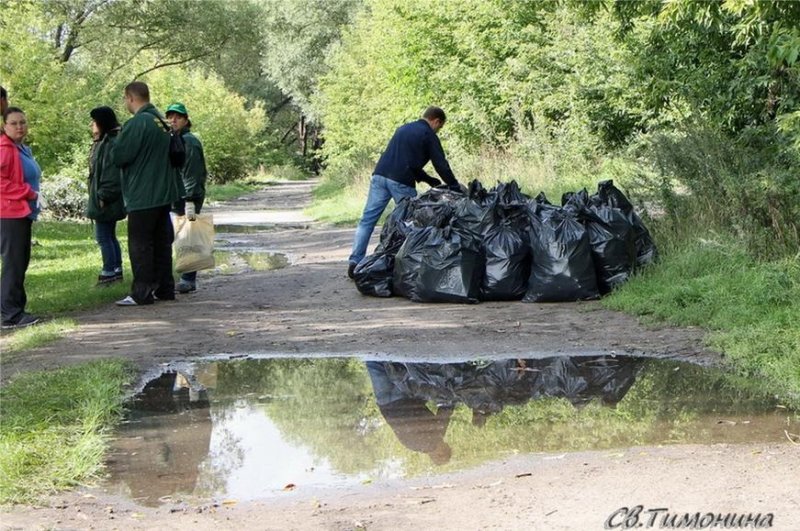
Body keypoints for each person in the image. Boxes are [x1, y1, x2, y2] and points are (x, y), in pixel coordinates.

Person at [348, 106, 461, 278]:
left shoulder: (403, 129)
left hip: (379, 176)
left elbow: (406, 160)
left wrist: (427, 179)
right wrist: (453, 185)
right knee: (412, 222)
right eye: (440, 127)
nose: (438, 131)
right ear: (436, 121)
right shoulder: (428, 135)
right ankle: (405, 265)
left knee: (367, 220)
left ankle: (355, 261)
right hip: (400, 181)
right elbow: (441, 164)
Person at [111, 81, 180, 306]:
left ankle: (141, 292)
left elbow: (120, 156)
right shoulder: (161, 120)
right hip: (164, 192)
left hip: (143, 193)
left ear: (130, 97)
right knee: (161, 243)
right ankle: (165, 288)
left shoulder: (138, 123)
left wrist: (117, 140)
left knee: (140, 244)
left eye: (125, 99)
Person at [1, 106, 43, 329]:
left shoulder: (21, 148)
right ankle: (10, 315)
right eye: (14, 123)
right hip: (9, 213)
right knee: (14, 263)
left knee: (20, 261)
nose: (20, 126)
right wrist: (27, 193)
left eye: (23, 122)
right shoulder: (5, 149)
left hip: (22, 212)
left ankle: (17, 309)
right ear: (4, 126)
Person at [366, 361, 453, 465]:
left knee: (395, 365)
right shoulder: (413, 446)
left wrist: (454, 395)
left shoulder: (436, 437)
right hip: (386, 404)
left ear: (440, 453)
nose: (446, 444)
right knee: (374, 366)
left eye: (446, 447)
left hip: (405, 397)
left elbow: (445, 411)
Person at [165, 102, 207, 294]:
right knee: (180, 237)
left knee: (188, 237)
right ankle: (184, 277)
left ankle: (188, 280)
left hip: (187, 198)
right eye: (170, 116)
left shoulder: (189, 141)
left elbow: (192, 173)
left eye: (178, 117)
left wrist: (188, 198)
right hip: (177, 196)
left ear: (186, 120)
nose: (173, 120)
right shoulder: (175, 139)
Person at [87, 106, 126, 285]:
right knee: (109, 235)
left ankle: (109, 271)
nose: (91, 125)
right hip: (105, 197)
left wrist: (103, 195)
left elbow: (111, 173)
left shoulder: (111, 143)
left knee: (103, 236)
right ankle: (116, 270)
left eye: (94, 122)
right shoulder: (105, 141)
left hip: (106, 198)